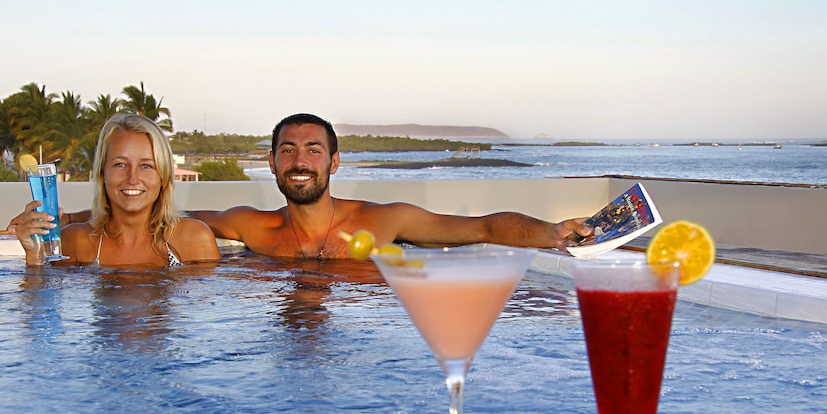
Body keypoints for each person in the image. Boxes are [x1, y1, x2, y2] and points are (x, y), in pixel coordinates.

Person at [187, 112, 595, 260]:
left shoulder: (383, 221)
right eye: (288, 150)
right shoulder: (251, 225)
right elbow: (177, 218)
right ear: (272, 162)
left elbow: (485, 227)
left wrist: (551, 232)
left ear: (334, 162)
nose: (300, 163)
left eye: (313, 151)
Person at [10, 114, 221, 267]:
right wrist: (35, 257)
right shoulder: (75, 242)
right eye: (120, 164)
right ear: (103, 173)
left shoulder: (193, 239)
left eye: (146, 166)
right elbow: (44, 310)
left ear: (163, 177)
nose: (132, 179)